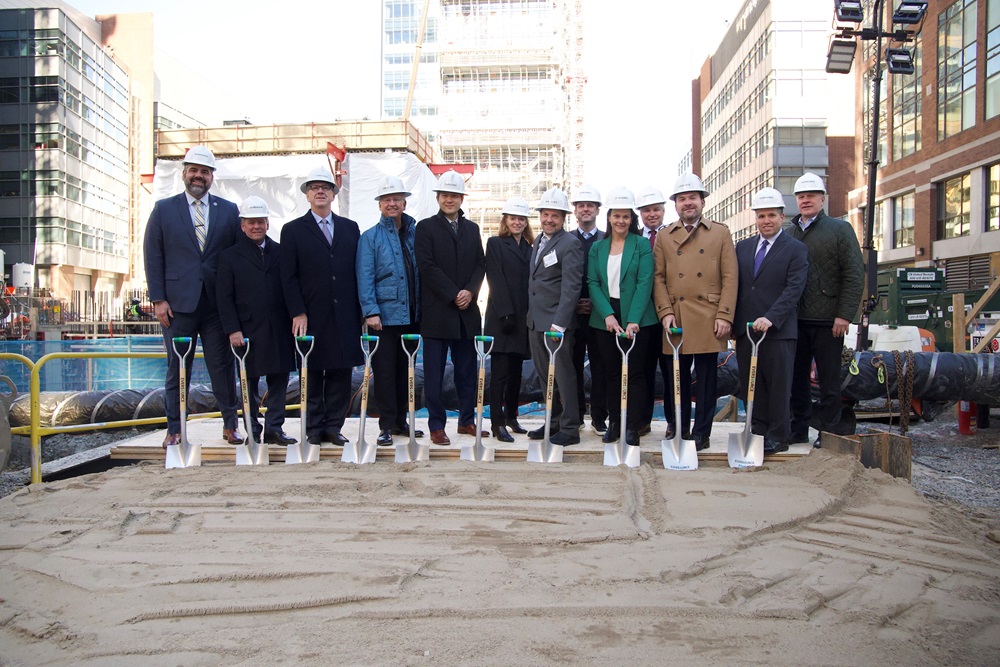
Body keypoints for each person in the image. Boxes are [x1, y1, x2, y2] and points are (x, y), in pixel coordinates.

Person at [143, 145, 243, 447]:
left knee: (222, 368)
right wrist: (158, 299)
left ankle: (230, 426)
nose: (199, 176)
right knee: (177, 369)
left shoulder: (228, 210)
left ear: (212, 176)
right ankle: (174, 429)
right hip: (176, 306)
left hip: (215, 306)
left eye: (205, 171)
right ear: (184, 173)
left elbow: (236, 256)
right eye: (194, 170)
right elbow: (152, 254)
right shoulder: (164, 209)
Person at [652, 173, 737, 451]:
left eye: (692, 198)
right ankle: (677, 426)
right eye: (682, 199)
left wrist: (725, 314)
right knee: (675, 376)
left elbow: (730, 276)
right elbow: (658, 277)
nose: (687, 203)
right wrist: (664, 311)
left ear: (702, 201)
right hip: (675, 316)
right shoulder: (664, 236)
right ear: (675, 205)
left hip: (708, 315)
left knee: (706, 379)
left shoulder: (720, 232)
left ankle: (702, 432)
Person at [280, 167, 362, 446]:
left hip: (345, 316)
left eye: (325, 187)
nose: (320, 191)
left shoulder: (350, 229)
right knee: (312, 372)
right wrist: (297, 311)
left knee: (341, 373)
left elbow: (356, 272)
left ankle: (333, 427)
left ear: (333, 194)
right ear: (307, 194)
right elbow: (288, 277)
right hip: (312, 316)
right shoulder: (292, 231)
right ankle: (314, 428)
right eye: (314, 187)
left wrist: (361, 313)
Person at [785, 172, 864, 445]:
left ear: (822, 199)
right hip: (796, 320)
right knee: (797, 380)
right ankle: (798, 429)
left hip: (829, 319)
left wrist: (844, 314)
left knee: (829, 380)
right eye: (801, 196)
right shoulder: (789, 232)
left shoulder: (839, 230)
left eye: (810, 196)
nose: (805, 200)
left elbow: (854, 273)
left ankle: (828, 431)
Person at [216, 196, 297, 445]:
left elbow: (291, 287)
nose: (256, 227)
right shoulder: (229, 257)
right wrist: (232, 330)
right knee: (248, 381)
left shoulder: (282, 252)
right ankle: (252, 427)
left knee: (279, 380)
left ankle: (275, 428)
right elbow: (224, 297)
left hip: (279, 328)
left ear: (267, 223)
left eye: (260, 222)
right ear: (242, 225)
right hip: (247, 330)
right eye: (251, 222)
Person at [414, 170, 487, 445]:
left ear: (461, 198)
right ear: (438, 198)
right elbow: (427, 267)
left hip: (466, 314)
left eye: (454, 196)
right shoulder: (426, 228)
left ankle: (467, 420)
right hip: (438, 313)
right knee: (433, 374)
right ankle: (436, 425)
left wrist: (470, 291)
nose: (449, 200)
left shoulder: (472, 229)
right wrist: (453, 293)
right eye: (445, 195)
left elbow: (480, 264)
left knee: (466, 372)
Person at [733, 188, 808, 454]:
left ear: (781, 216)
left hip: (778, 331)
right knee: (752, 384)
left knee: (778, 386)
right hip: (746, 330)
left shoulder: (796, 250)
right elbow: (737, 286)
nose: (766, 220)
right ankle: (758, 430)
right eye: (761, 215)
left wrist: (771, 317)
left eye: (772, 215)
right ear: (755, 217)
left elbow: (794, 289)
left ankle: (779, 435)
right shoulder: (743, 247)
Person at [586, 187, 657, 447]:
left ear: (631, 219)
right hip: (605, 318)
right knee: (612, 373)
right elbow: (593, 282)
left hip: (638, 317)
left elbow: (644, 282)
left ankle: (633, 426)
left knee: (636, 374)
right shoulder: (598, 248)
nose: (621, 221)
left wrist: (632, 320)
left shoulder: (640, 245)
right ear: (609, 217)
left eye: (626, 216)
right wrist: (607, 315)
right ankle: (615, 422)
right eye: (617, 216)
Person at [356, 175, 424, 447]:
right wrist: (371, 311)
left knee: (405, 371)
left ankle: (400, 422)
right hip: (383, 318)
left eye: (396, 199)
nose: (392, 204)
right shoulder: (370, 237)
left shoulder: (415, 233)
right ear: (380, 205)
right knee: (384, 371)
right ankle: (385, 425)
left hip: (412, 315)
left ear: (405, 203)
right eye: (387, 200)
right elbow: (365, 275)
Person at [526, 187, 584, 446]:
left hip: (555, 325)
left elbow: (571, 287)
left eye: (555, 216)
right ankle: (553, 421)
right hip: (536, 322)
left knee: (563, 375)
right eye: (545, 214)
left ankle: (570, 427)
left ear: (564, 218)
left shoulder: (570, 244)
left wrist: (559, 324)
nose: (549, 219)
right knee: (544, 375)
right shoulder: (539, 241)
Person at [484, 196, 534, 442]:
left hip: (522, 321)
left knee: (516, 373)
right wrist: (506, 313)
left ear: (526, 222)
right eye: (513, 218)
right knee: (500, 374)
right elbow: (496, 280)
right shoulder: (495, 244)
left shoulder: (530, 248)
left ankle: (511, 416)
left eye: (521, 219)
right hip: (503, 320)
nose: (517, 222)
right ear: (506, 220)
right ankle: (497, 423)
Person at [569, 184, 608, 435]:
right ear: (575, 211)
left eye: (590, 205)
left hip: (601, 314)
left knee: (601, 366)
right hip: (572, 314)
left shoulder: (608, 239)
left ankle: (599, 416)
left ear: (597, 210)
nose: (585, 209)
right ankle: (575, 415)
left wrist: (597, 303)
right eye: (581, 205)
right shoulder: (566, 240)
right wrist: (574, 303)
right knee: (571, 366)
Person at [634, 186, 670, 436]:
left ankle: (673, 423)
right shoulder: (633, 238)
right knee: (642, 370)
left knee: (670, 370)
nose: (652, 214)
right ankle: (641, 420)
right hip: (642, 315)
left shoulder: (672, 235)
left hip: (669, 313)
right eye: (646, 210)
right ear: (640, 214)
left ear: (663, 211)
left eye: (656, 209)